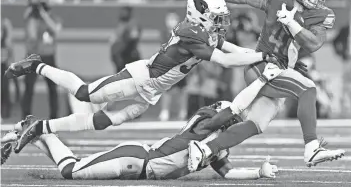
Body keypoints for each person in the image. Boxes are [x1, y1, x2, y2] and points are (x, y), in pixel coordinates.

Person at [6, 0, 282, 154]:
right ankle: (37, 65)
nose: (220, 24)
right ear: (200, 15)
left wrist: (263, 55)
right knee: (85, 93)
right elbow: (223, 60)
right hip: (140, 79)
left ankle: (41, 127)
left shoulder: (203, 31)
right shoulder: (190, 32)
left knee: (103, 122)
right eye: (216, 19)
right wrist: (262, 55)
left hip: (152, 93)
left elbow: (233, 51)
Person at [187, 0, 345, 170]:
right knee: (308, 88)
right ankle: (312, 147)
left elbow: (314, 43)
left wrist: (293, 25)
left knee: (256, 124)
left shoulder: (320, 14)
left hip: (279, 68)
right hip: (262, 65)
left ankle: (205, 149)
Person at [1, 62, 282, 178]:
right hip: (137, 158)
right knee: (70, 171)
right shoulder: (205, 124)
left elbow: (229, 173)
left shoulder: (217, 143)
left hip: (142, 167)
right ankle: (39, 129)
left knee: (72, 167)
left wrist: (258, 173)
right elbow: (233, 109)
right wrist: (261, 81)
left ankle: (36, 132)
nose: (235, 120)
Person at [22, 0, 62, 120]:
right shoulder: (32, 19)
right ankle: (26, 116)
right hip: (32, 57)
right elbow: (31, 34)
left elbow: (56, 29)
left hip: (48, 56)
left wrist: (44, 15)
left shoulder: (53, 19)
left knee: (52, 88)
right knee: (29, 87)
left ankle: (54, 116)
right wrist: (32, 12)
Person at [110, 6, 142, 73]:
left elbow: (134, 37)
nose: (123, 13)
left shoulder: (132, 24)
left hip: (128, 55)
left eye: (125, 11)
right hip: (119, 55)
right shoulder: (120, 24)